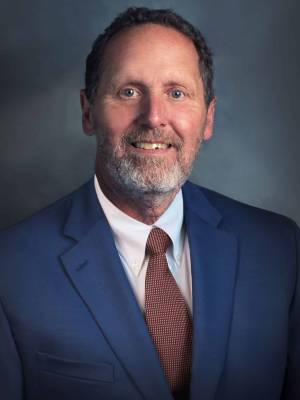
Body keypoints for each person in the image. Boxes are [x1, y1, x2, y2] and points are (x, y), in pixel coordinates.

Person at [0, 6, 299, 400]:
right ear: (88, 112)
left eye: (176, 93)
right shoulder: (10, 269)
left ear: (207, 118)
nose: (154, 117)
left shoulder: (280, 250)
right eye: (129, 92)